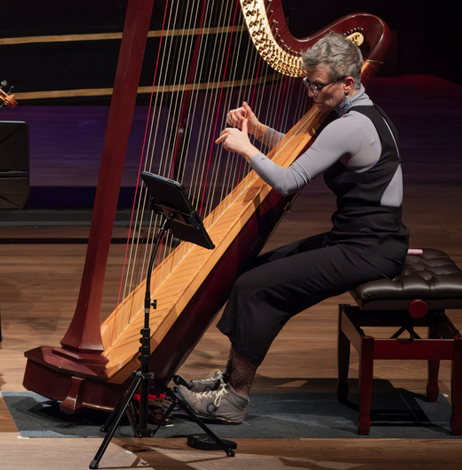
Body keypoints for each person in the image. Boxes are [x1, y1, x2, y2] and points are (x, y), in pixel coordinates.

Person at [174, 32, 409, 424]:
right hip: (357, 241)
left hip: (370, 251)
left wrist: (246, 147)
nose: (311, 94)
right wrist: (261, 130)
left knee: (254, 287)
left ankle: (233, 398)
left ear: (347, 83)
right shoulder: (362, 115)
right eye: (308, 84)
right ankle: (231, 379)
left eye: (317, 86)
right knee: (250, 273)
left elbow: (287, 181)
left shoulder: (348, 126)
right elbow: (313, 157)